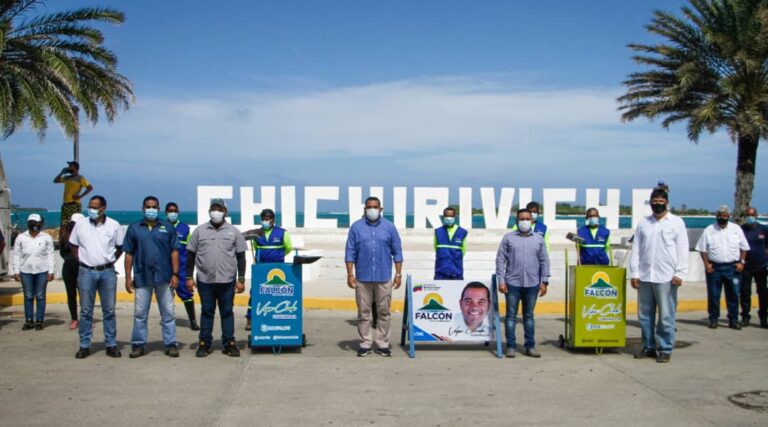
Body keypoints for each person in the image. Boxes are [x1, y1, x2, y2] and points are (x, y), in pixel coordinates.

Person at [629, 188, 689, 363]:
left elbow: (682, 249)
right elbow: (637, 249)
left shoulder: (676, 223)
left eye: (661, 200)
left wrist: (680, 273)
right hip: (646, 276)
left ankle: (664, 348)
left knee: (666, 315)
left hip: (667, 277)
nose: (657, 203)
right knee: (645, 315)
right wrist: (635, 273)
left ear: (667, 203)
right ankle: (648, 347)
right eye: (654, 200)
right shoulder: (643, 223)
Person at [185, 198, 247, 358]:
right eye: (214, 208)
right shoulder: (199, 231)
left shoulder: (234, 231)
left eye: (219, 209)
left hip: (227, 280)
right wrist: (188, 277)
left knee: (227, 312)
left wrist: (241, 279)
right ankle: (204, 343)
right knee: (207, 312)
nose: (216, 212)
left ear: (225, 211)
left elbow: (241, 257)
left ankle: (229, 343)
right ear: (209, 211)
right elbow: (190, 255)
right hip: (205, 280)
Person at [123, 196, 181, 358]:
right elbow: (128, 253)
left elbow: (174, 251)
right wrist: (128, 277)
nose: (151, 209)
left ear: (158, 208)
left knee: (168, 313)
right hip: (142, 277)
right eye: (148, 207)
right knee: (140, 314)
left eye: (154, 207)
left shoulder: (167, 227)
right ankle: (138, 344)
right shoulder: (134, 228)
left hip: (164, 277)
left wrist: (175, 274)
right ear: (143, 208)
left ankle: (170, 344)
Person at [345, 196, 403, 357]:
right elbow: (350, 252)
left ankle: (383, 343)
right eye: (369, 207)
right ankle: (365, 343)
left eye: (375, 207)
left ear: (380, 209)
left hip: (384, 277)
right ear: (364, 209)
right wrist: (350, 274)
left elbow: (397, 251)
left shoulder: (389, 227)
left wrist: (398, 274)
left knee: (384, 312)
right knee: (363, 312)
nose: (372, 210)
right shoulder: (356, 227)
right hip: (362, 277)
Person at [69, 195, 124, 359]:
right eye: (90, 206)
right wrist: (79, 259)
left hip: (107, 272)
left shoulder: (113, 225)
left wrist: (111, 260)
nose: (91, 209)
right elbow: (73, 244)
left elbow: (120, 247)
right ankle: (84, 344)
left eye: (95, 206)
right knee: (86, 311)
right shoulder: (81, 224)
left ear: (103, 208)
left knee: (109, 310)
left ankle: (111, 344)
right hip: (86, 271)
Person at [496, 208, 550, 358]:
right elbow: (500, 260)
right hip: (512, 283)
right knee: (511, 316)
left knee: (529, 316)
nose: (525, 221)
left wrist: (544, 281)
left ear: (532, 220)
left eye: (527, 218)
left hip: (532, 283)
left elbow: (544, 261)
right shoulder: (508, 238)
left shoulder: (539, 239)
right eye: (522, 219)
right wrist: (501, 280)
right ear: (517, 221)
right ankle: (511, 346)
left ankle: (530, 346)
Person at [696, 205, 750, 330]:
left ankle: (733, 320)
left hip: (733, 268)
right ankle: (713, 319)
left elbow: (744, 247)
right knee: (714, 295)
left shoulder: (736, 229)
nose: (722, 218)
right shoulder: (709, 230)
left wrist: (742, 262)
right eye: (720, 215)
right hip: (714, 268)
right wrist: (706, 264)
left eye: (724, 216)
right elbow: (702, 249)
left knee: (733, 295)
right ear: (716, 216)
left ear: (728, 216)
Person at [246, 208, 293, 331]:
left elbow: (288, 248)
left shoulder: (283, 233)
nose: (264, 221)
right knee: (255, 294)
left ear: (273, 220)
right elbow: (256, 248)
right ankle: (250, 319)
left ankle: (276, 319)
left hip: (278, 269)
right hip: (260, 269)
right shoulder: (256, 233)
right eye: (263, 219)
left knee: (277, 294)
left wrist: (278, 256)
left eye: (267, 219)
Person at [11, 214, 55, 331]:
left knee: (40, 296)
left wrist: (51, 271)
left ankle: (39, 321)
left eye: (37, 223)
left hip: (42, 271)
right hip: (26, 271)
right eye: (32, 223)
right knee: (28, 296)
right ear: (28, 224)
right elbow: (16, 254)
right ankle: (29, 320)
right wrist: (16, 271)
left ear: (41, 224)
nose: (34, 225)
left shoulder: (46, 237)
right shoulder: (21, 237)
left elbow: (50, 254)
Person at [166, 202, 199, 331]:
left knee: (186, 295)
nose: (172, 213)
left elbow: (191, 250)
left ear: (178, 212)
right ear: (166, 213)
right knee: (166, 296)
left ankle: (192, 321)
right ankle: (168, 320)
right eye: (170, 211)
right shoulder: (162, 226)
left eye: (174, 210)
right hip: (166, 268)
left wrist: (190, 273)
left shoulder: (185, 228)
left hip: (182, 268)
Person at [740, 207, 768, 328]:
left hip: (761, 266)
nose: (750, 217)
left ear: (756, 215)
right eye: (747, 215)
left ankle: (763, 318)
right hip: (746, 267)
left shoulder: (763, 229)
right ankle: (745, 317)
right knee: (745, 293)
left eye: (752, 215)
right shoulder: (741, 230)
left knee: (763, 293)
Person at [59, 213, 85, 330]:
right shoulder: (65, 234)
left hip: (80, 266)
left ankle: (85, 318)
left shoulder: (84, 233)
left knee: (84, 294)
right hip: (70, 266)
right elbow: (62, 252)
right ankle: (74, 318)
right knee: (71, 293)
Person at [434, 207, 468, 280]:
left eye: (451, 216)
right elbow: (436, 249)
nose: (449, 218)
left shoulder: (462, 232)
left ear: (454, 217)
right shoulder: (438, 232)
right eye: (447, 216)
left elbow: (464, 251)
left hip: (456, 272)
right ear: (443, 217)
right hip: (440, 272)